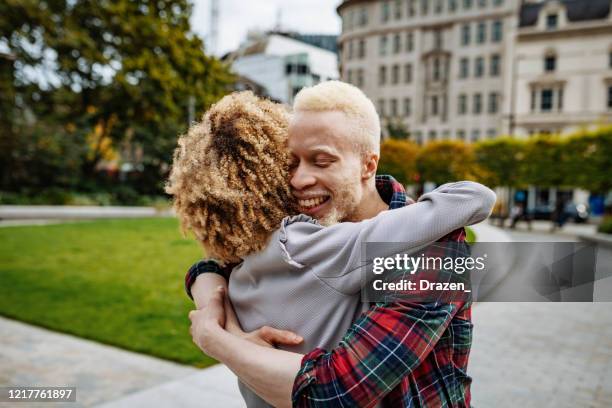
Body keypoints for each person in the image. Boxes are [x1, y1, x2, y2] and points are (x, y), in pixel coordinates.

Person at [181, 81, 496, 407]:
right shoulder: (298, 228)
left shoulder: (434, 250)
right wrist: (231, 328)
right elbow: (212, 266)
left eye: (321, 161)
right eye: (292, 163)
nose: (299, 181)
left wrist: (215, 338)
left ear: (368, 165)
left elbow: (335, 394)